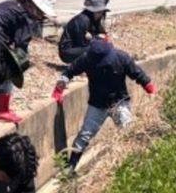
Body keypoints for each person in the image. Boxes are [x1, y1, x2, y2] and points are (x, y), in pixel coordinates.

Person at [53, 38, 157, 171]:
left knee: (128, 132)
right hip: (97, 105)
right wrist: (63, 81)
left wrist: (150, 89)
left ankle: (135, 166)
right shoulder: (87, 58)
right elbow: (70, 70)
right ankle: (70, 169)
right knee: (84, 136)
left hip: (119, 103)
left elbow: (138, 74)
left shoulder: (121, 57)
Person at [0, 0, 56, 123]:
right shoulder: (23, 15)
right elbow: (21, 44)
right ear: (32, 5)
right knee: (9, 69)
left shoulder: (15, 6)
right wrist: (22, 64)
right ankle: (1, 110)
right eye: (40, 13)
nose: (40, 17)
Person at [58, 0, 108, 65]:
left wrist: (94, 37)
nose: (101, 14)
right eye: (99, 12)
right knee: (96, 49)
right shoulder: (82, 20)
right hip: (67, 51)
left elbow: (103, 35)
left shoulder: (94, 20)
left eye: (102, 12)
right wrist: (93, 39)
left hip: (78, 48)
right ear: (92, 11)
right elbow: (80, 42)